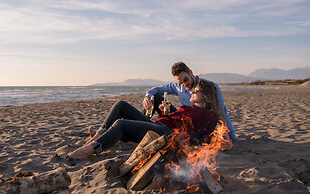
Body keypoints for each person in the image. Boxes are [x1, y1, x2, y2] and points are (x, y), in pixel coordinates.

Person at [68, 81, 223, 160]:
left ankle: (89, 150)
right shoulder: (190, 108)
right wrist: (163, 111)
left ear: (206, 95)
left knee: (121, 124)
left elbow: (199, 135)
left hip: (165, 133)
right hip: (160, 125)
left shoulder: (208, 116)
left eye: (196, 91)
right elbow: (176, 119)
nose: (192, 91)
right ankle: (98, 136)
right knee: (121, 105)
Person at [142, 61, 237, 140]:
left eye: (185, 80)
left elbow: (221, 111)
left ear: (190, 72)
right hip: (184, 118)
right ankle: (143, 122)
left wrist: (232, 136)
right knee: (156, 96)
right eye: (180, 82)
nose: (184, 84)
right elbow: (157, 89)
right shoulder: (177, 86)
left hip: (197, 125)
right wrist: (147, 97)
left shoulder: (208, 87)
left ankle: (145, 127)